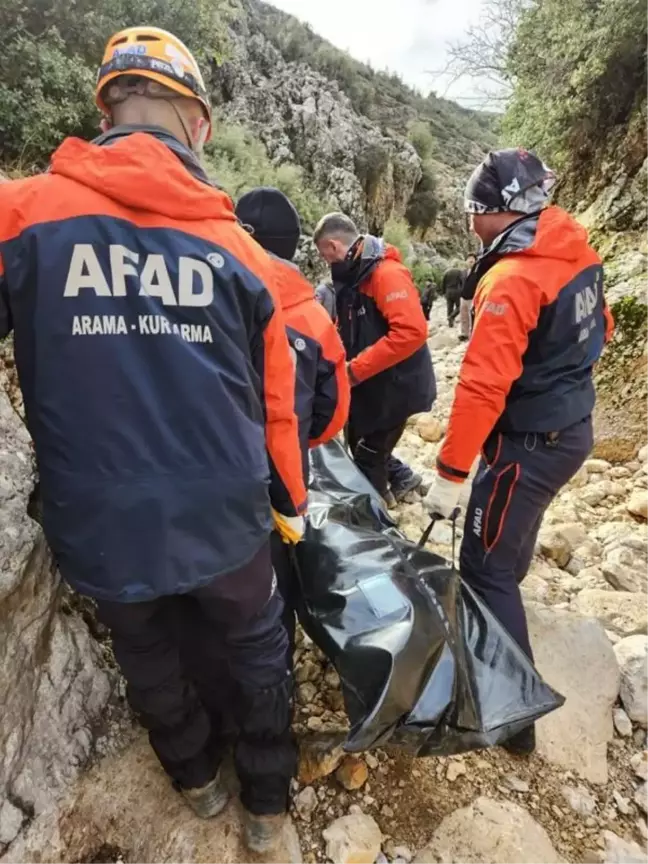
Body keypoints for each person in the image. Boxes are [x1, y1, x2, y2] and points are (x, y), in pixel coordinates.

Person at [0, 27, 308, 855]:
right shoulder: (238, 250)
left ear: (108, 108)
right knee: (255, 642)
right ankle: (268, 801)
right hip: (221, 510)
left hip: (97, 511)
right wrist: (292, 505)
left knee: (144, 644)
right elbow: (277, 404)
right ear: (198, 123)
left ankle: (197, 778)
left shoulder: (22, 214)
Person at [424, 148, 614, 755]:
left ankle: (514, 716)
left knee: (482, 565)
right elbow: (601, 327)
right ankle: (508, 589)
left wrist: (452, 472)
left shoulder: (510, 279)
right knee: (514, 530)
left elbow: (482, 384)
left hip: (528, 441)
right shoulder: (574, 250)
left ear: (493, 210)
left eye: (472, 209)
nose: (469, 220)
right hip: (572, 428)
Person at [235, 186, 350, 655]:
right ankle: (276, 672)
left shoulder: (211, 297)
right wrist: (301, 436)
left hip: (215, 468)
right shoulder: (313, 317)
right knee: (276, 581)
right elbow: (335, 409)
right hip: (285, 473)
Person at [313, 212, 436, 502]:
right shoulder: (355, 278)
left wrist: (354, 371)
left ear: (333, 246)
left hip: (397, 385)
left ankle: (379, 523)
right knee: (358, 437)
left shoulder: (385, 274)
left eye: (324, 256)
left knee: (370, 452)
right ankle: (403, 480)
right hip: (376, 382)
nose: (326, 262)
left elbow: (410, 332)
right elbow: (346, 328)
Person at [458, 253, 478, 341]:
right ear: (466, 261)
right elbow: (459, 283)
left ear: (475, 261)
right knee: (463, 316)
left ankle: (472, 334)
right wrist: (460, 292)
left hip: (473, 298)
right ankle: (464, 333)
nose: (471, 260)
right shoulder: (463, 272)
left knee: (472, 316)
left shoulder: (477, 272)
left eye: (472, 259)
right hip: (463, 297)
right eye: (469, 258)